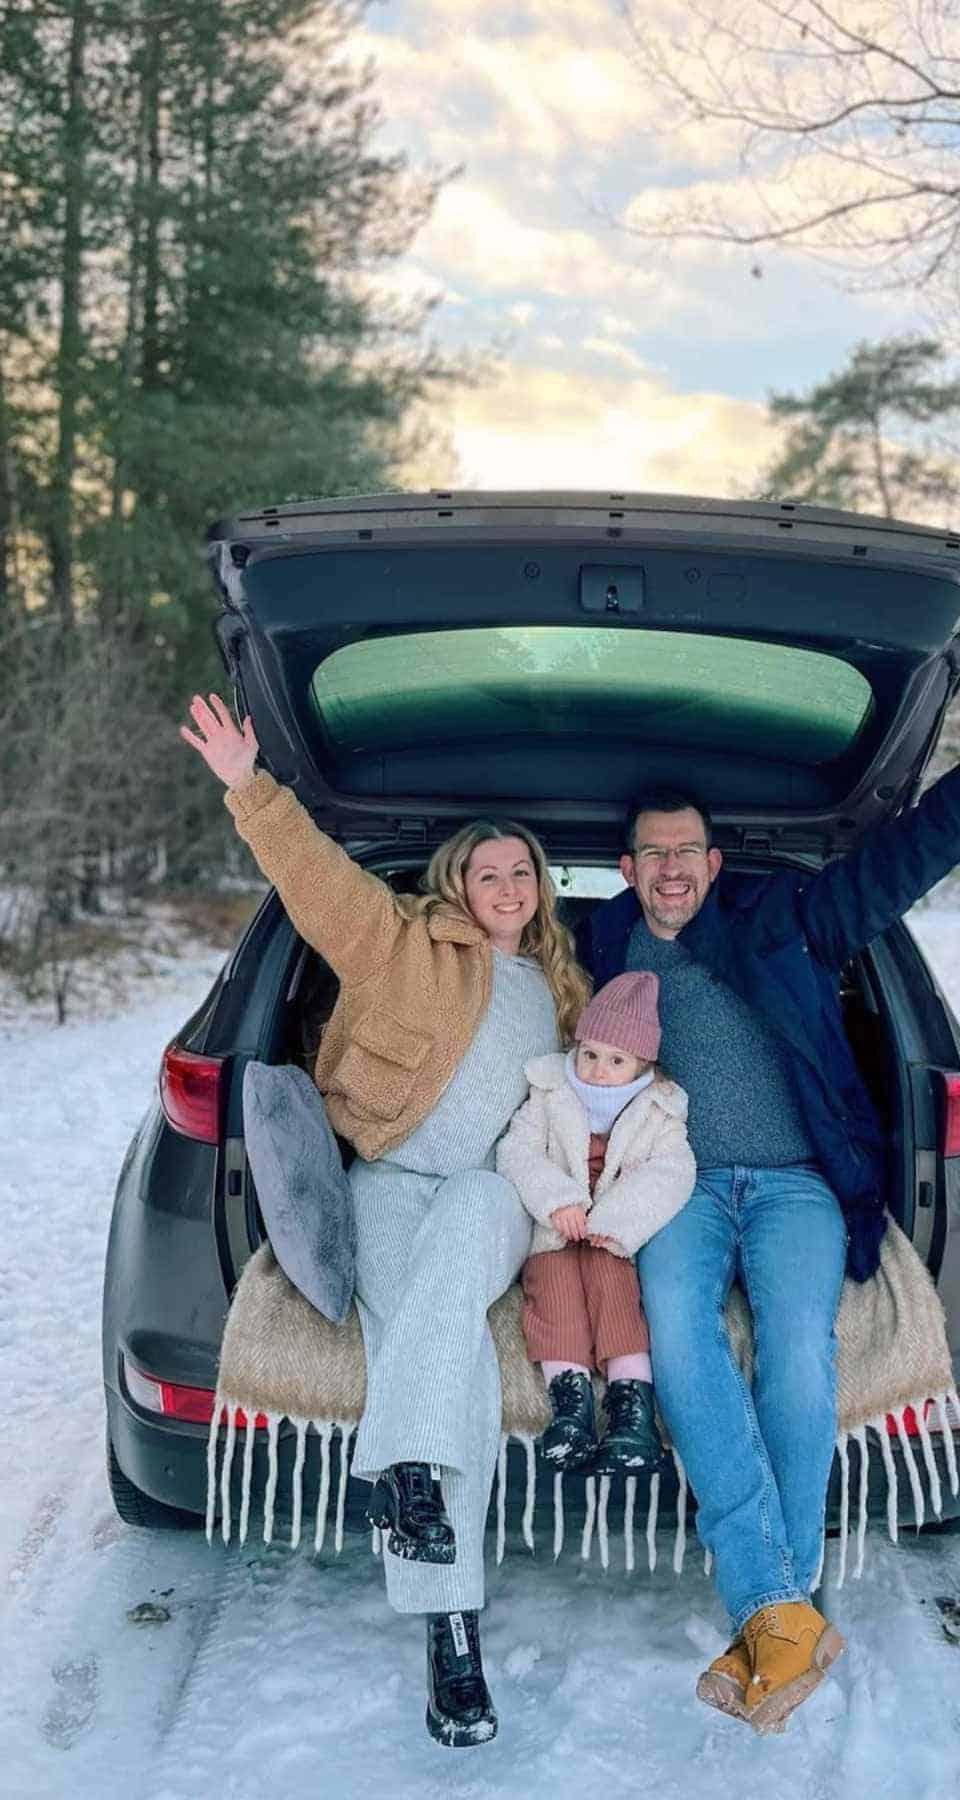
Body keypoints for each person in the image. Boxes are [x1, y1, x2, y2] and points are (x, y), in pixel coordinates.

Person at [574, 686, 960, 1735]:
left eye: (688, 850)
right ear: (629, 869)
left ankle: (770, 1608)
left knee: (795, 1349)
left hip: (796, 1184)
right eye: (652, 853)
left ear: (714, 863)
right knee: (685, 1344)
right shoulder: (597, 947)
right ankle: (785, 1606)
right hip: (678, 1187)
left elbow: (886, 876)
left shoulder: (784, 923)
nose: (672, 867)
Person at [180, 693, 590, 1750]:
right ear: (455, 885)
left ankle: (403, 1473)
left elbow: (610, 1091)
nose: (508, 885)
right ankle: (449, 1620)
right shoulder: (401, 945)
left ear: (539, 888)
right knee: (439, 1341)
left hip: (497, 1190)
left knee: (456, 1274)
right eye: (487, 871)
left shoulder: (562, 988)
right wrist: (246, 786)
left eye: (522, 872)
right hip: (387, 1179)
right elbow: (315, 881)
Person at [496, 971, 695, 1474]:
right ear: (577, 1045)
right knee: (554, 1289)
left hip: (612, 1234)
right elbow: (516, 1152)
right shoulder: (548, 1090)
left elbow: (671, 1173)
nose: (599, 1070)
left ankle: (632, 1409)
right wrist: (557, 1199)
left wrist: (617, 1220)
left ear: (642, 1065)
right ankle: (571, 1404)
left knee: (617, 1292)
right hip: (556, 1229)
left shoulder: (660, 1109)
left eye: (616, 1061)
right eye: (590, 1054)